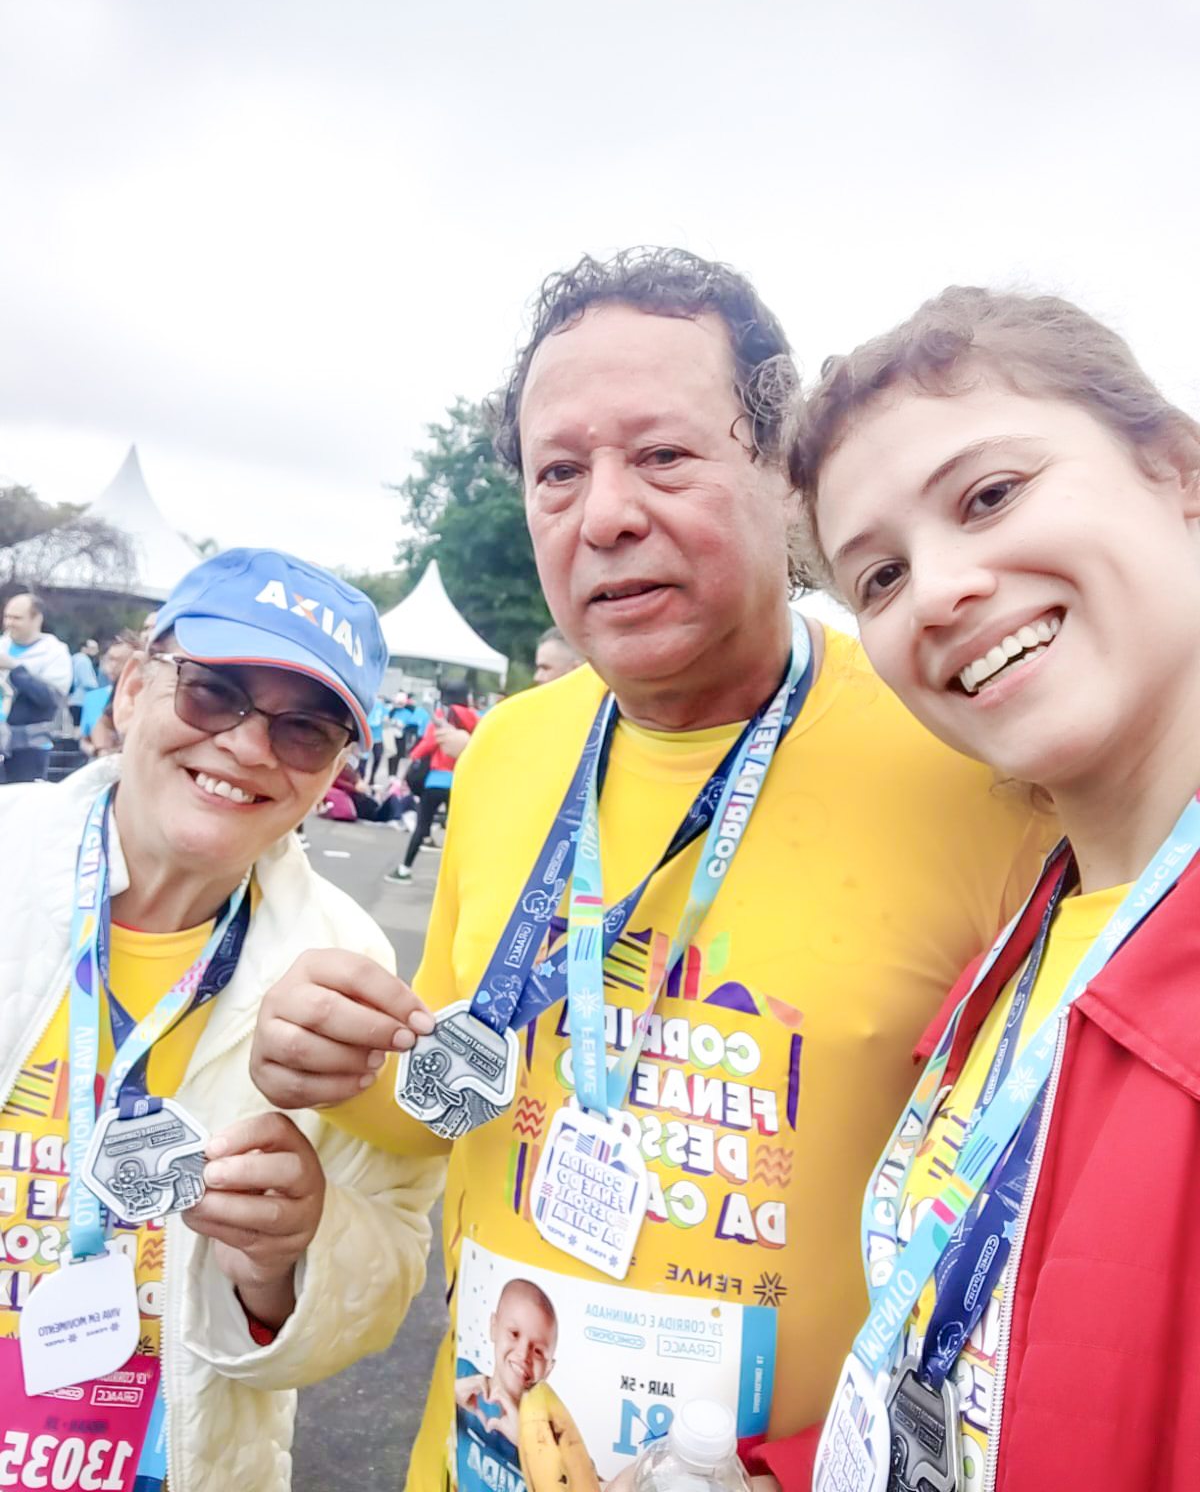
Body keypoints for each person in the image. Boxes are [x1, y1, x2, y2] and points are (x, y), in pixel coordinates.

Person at [249, 248, 1050, 1491]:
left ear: (783, 473)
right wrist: (339, 1064)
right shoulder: (512, 750)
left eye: (663, 455)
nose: (605, 514)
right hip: (484, 1454)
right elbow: (462, 1088)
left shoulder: (970, 759)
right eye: (559, 472)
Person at [788, 285, 1200, 1492]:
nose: (938, 591)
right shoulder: (1025, 949)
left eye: (989, 495)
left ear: (1178, 473)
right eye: (877, 578)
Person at [0, 547, 442, 1488]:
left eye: (305, 729)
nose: (247, 746)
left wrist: (288, 1257)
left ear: (334, 771)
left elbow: (389, 1262)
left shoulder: (348, 960)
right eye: (212, 693)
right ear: (131, 690)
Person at [384, 681, 479, 882]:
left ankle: (404, 870)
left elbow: (429, 743)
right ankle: (458, 880)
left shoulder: (442, 715)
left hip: (436, 780)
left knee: (422, 826)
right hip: (462, 782)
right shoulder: (475, 718)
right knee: (458, 832)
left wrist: (411, 761)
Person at [454, 1277, 559, 1447]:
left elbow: (583, 1465)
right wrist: (448, 1396)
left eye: (538, 1351)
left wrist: (528, 1446)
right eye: (514, 1334)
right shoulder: (460, 1374)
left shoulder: (551, 1437)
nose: (523, 1354)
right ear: (494, 1327)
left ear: (548, 1369)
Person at [0, 591, 72, 782]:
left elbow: (51, 699)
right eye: (7, 617)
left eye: (17, 618)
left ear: (36, 619)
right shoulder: (2, 645)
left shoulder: (54, 653)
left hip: (29, 749)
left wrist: (16, 669)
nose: (9, 623)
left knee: (22, 799)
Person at [68, 637, 100, 722]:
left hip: (75, 699)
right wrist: (99, 687)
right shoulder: (83, 660)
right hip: (81, 700)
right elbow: (87, 682)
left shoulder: (75, 659)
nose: (96, 651)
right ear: (84, 648)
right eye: (93, 648)